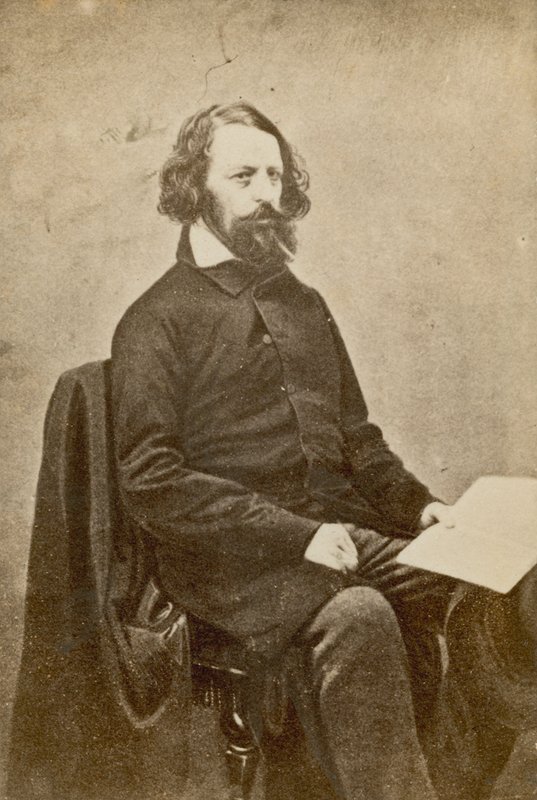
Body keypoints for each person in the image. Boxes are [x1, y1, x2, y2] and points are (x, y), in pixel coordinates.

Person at [110, 102, 534, 800]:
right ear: (194, 187)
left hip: (341, 535)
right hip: (230, 566)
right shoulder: (155, 320)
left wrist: (420, 508)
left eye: (275, 176)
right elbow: (152, 479)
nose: (266, 195)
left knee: (495, 587)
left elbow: (357, 439)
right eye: (243, 176)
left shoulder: (302, 302)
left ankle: (451, 784)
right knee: (359, 615)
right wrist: (296, 535)